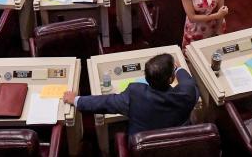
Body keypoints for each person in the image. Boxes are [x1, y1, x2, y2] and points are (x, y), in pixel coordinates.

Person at [63, 53, 199, 137]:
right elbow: (189, 82)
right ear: (171, 79)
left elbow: (105, 102)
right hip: (176, 149)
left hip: (144, 154)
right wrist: (179, 68)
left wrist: (76, 100)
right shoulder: (187, 94)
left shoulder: (136, 94)